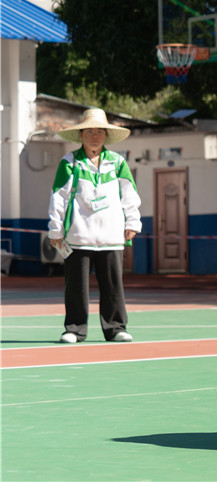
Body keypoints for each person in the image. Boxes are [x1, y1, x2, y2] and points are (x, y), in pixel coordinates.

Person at [48, 108, 141, 343]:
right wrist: (56, 229)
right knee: (76, 286)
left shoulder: (118, 162)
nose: (94, 136)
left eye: (99, 131)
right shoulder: (69, 162)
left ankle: (116, 328)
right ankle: (74, 329)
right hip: (78, 235)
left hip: (111, 235)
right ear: (80, 135)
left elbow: (129, 194)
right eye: (89, 131)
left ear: (106, 135)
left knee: (113, 286)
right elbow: (58, 197)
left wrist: (133, 221)